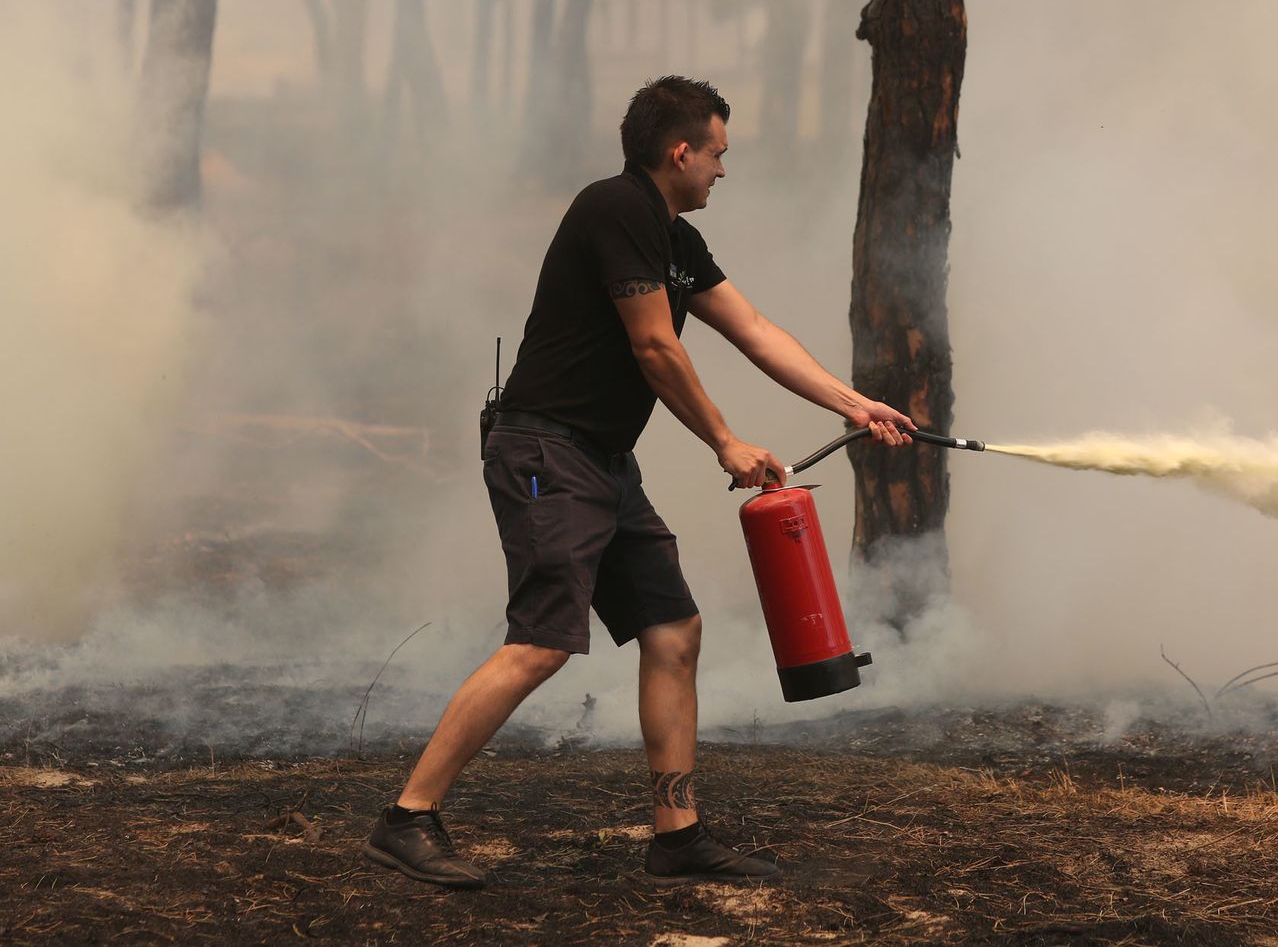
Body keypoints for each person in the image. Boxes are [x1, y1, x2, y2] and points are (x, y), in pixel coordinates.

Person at [363, 76, 916, 889]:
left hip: (604, 464)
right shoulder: (614, 209)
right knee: (542, 643)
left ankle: (678, 835)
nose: (723, 172)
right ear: (679, 150)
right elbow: (655, 347)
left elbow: (756, 332)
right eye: (718, 154)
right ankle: (406, 818)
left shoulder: (676, 244)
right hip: (546, 453)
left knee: (672, 629)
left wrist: (856, 402)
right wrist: (724, 440)